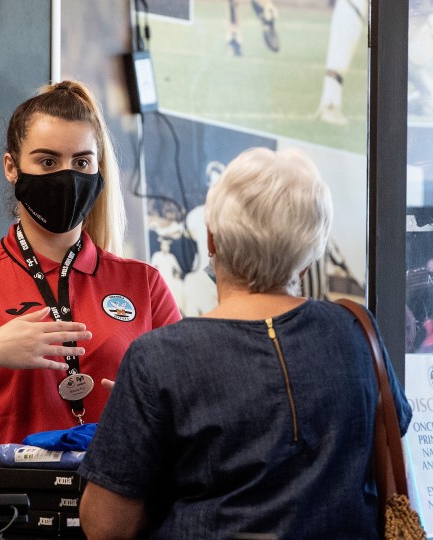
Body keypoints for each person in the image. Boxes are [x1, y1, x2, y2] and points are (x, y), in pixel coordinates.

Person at [78, 147, 412, 538]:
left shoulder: (159, 358)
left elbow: (105, 526)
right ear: (309, 256)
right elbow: (390, 464)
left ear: (211, 239)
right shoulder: (355, 332)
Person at [0, 80, 182, 501]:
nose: (67, 176)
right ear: (12, 168)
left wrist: (147, 407)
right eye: (47, 162)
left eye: (82, 163)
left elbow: (190, 420)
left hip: (112, 508)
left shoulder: (143, 284)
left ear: (98, 169)